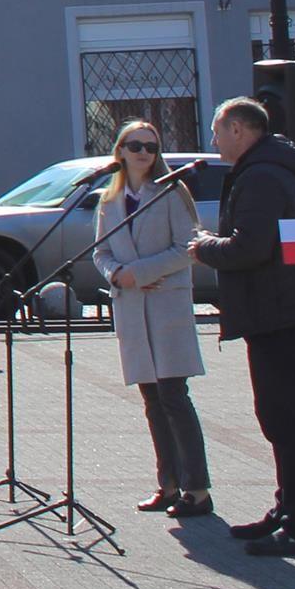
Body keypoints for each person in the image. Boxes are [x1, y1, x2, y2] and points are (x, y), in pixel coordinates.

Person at [191, 95, 295, 557]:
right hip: (283, 308)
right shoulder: (271, 170)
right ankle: (287, 508)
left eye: (218, 131)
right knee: (279, 417)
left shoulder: (262, 177)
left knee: (286, 420)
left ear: (239, 130)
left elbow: (251, 248)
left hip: (280, 312)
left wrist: (205, 247)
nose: (213, 141)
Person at [92, 121, 211, 517]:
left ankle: (198, 489)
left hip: (165, 305)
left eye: (152, 146)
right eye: (136, 145)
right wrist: (114, 274)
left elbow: (187, 247)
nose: (145, 152)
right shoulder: (109, 199)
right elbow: (100, 251)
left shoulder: (172, 193)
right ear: (121, 151)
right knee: (152, 400)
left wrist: (139, 272)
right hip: (130, 307)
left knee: (174, 396)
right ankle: (169, 485)